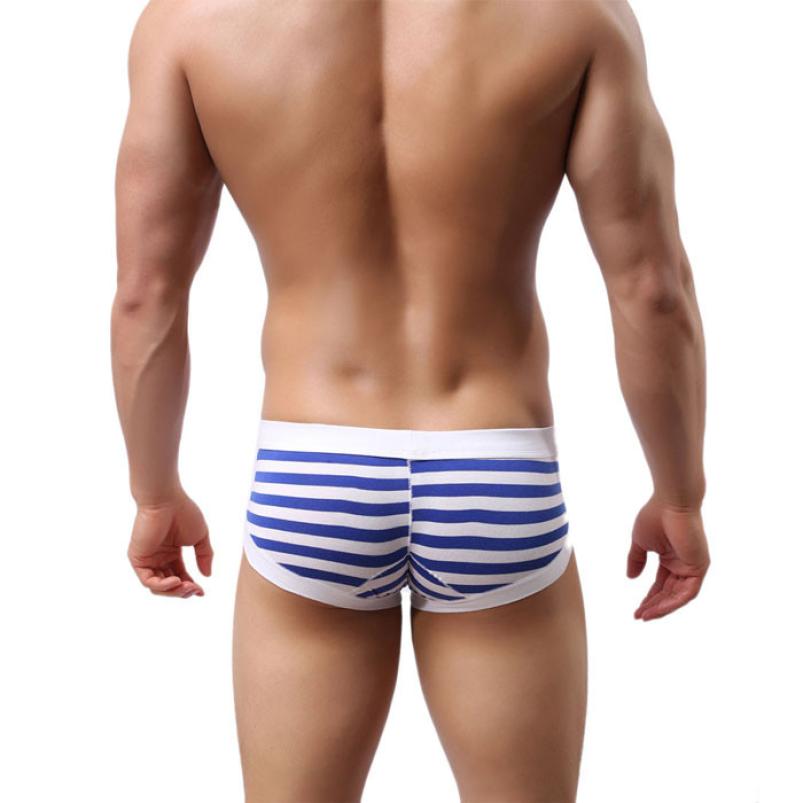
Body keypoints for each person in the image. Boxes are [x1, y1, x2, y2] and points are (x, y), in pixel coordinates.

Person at [111, 1, 710, 800]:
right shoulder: (576, 15)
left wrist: (154, 493)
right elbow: (651, 288)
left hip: (312, 472)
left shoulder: (190, 20)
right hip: (495, 470)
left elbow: (145, 296)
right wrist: (679, 493)